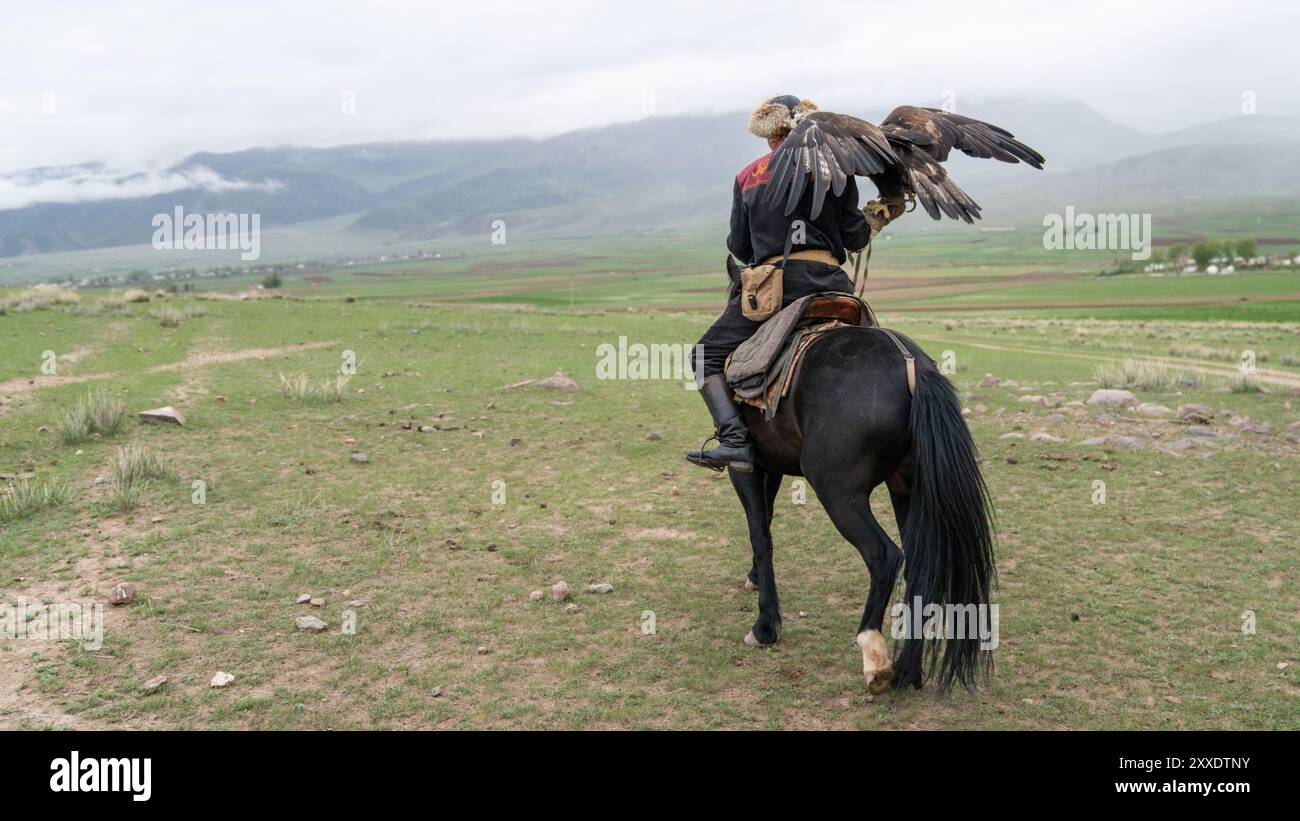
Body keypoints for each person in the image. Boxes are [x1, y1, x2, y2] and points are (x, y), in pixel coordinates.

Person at [686, 94, 876, 472]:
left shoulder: (748, 175)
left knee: (703, 354)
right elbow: (855, 238)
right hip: (834, 288)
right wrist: (875, 217)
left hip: (778, 291)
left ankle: (736, 441)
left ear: (769, 135)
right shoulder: (833, 169)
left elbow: (739, 247)